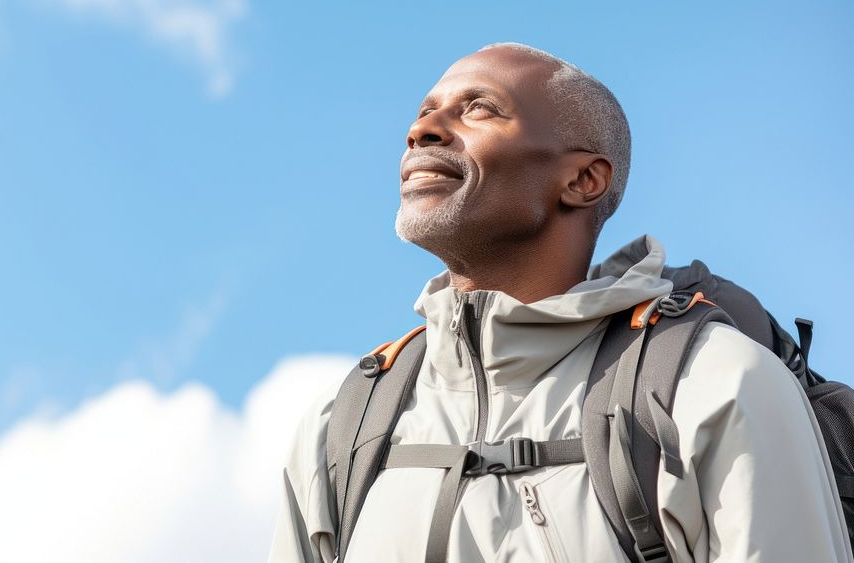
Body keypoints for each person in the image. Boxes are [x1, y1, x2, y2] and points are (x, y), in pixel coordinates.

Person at [268, 43, 852, 561]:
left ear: (583, 181)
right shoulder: (340, 427)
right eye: (424, 112)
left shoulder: (715, 383)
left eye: (478, 108)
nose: (421, 131)